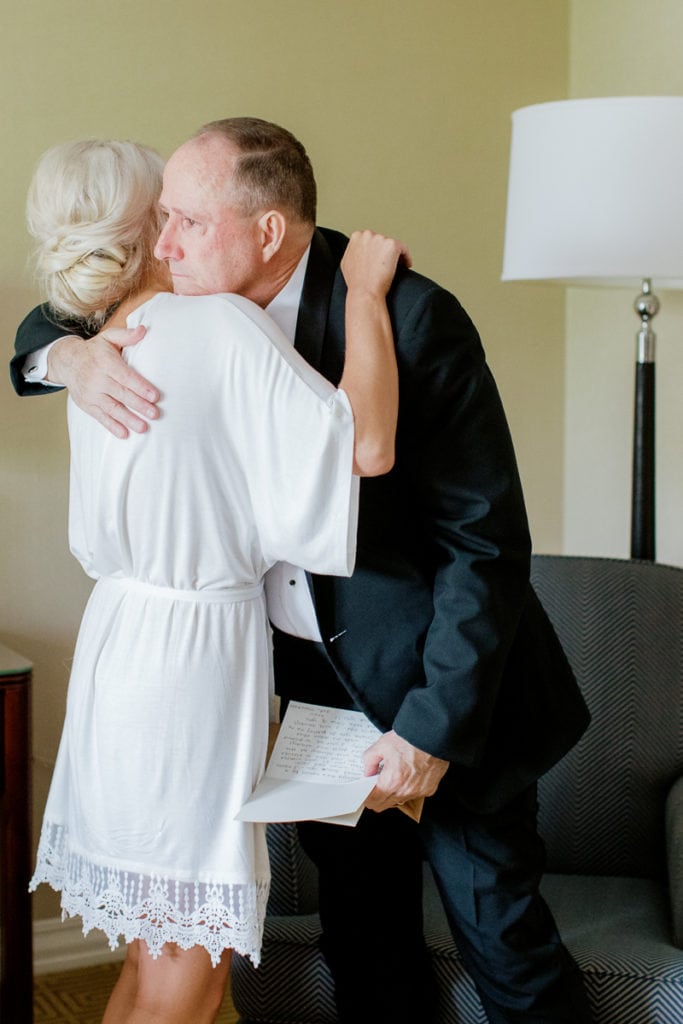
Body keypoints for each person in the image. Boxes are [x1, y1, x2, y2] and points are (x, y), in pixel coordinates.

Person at [12, 119, 593, 1024]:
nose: (163, 245)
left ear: (267, 232)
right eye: (160, 219)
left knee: (501, 942)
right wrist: (68, 357)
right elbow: (56, 305)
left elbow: (484, 545)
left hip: (440, 696)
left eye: (187, 222)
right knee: (363, 944)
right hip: (309, 696)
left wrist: (429, 732)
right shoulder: (179, 291)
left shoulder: (406, 315)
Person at [20, 137, 405, 1024]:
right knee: (189, 975)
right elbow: (367, 445)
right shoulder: (221, 327)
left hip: (118, 646)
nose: (186, 230)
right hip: (192, 670)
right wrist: (367, 295)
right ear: (154, 226)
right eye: (180, 211)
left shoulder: (97, 351)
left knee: (153, 957)